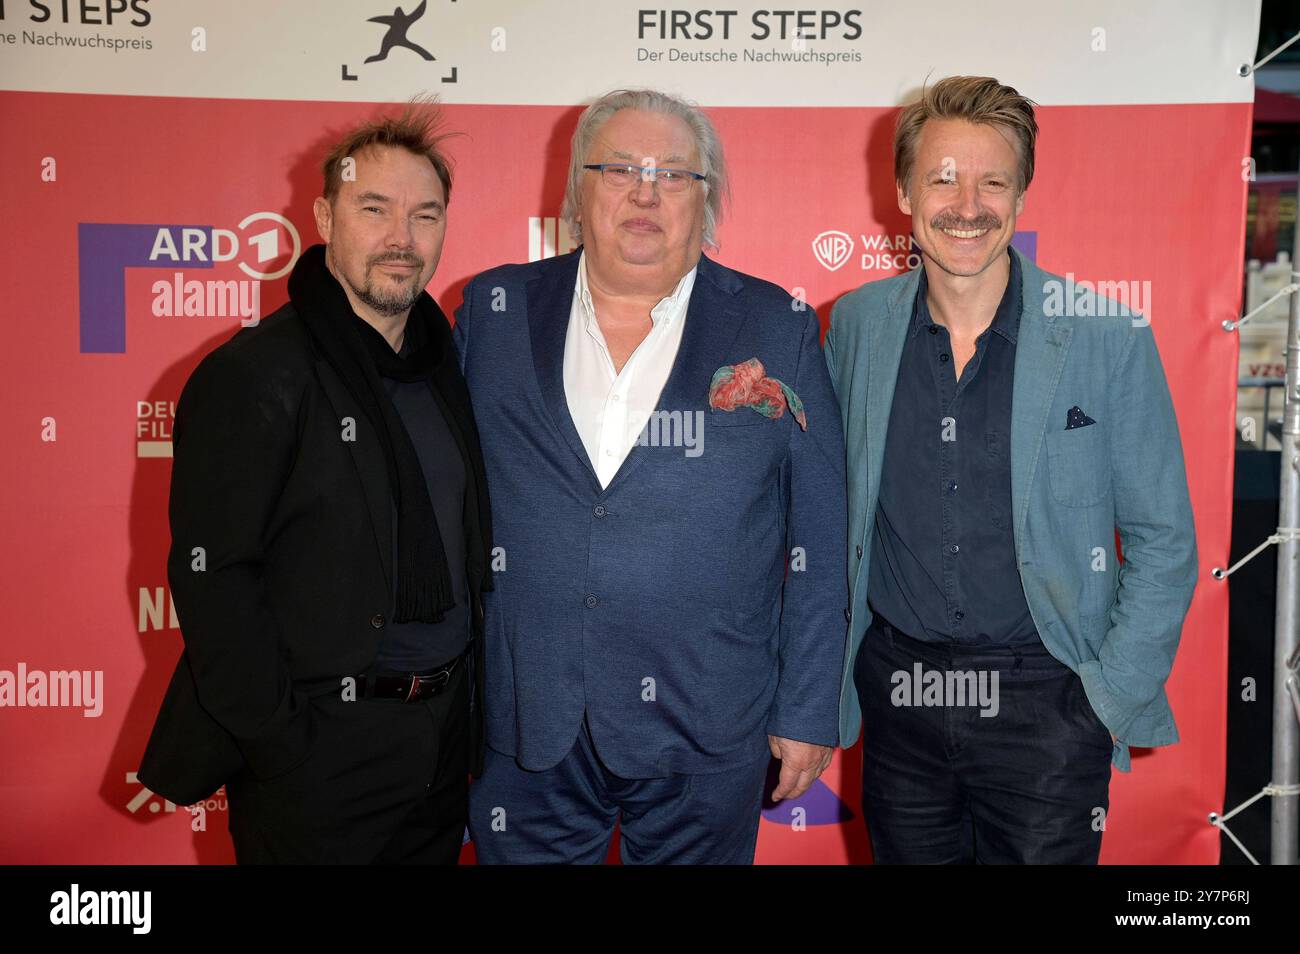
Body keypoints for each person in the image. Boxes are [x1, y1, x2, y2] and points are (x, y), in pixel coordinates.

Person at [456, 88, 848, 864]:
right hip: (525, 716)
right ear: (577, 188)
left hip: (707, 720)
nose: (646, 192)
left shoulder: (779, 327)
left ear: (707, 201)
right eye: (620, 169)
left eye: (675, 175)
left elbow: (823, 533)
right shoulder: (493, 312)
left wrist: (806, 708)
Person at [825, 75, 1197, 863]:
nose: (968, 204)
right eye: (943, 178)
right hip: (899, 698)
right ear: (901, 191)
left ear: (1022, 195)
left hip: (1048, 703)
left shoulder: (1107, 338)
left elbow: (1164, 541)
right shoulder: (857, 325)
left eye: (993, 180)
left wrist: (1105, 699)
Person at [138, 100, 493, 864]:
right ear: (326, 216)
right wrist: (281, 747)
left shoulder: (449, 369)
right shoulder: (254, 374)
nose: (402, 238)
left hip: (440, 748)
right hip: (317, 757)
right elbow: (215, 579)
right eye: (376, 208)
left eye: (424, 215)